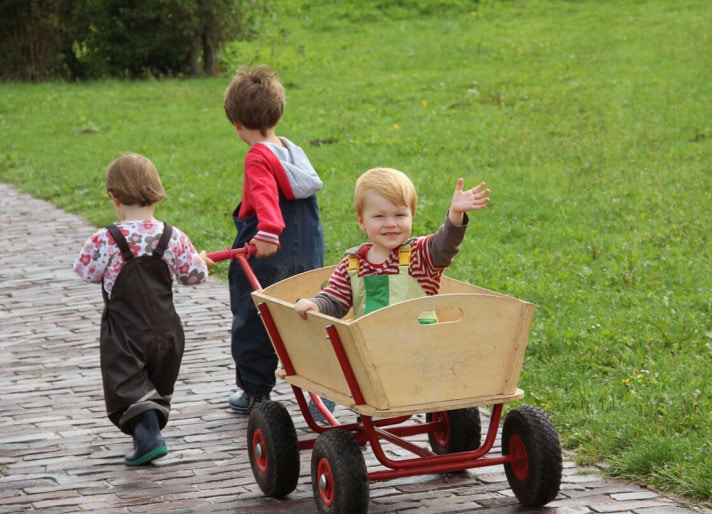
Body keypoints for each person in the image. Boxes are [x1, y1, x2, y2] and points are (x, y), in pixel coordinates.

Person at [294, 167, 490, 415]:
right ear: (361, 221)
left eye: (399, 215)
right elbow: (335, 299)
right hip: (371, 354)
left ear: (412, 216)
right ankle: (329, 395)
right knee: (333, 346)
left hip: (420, 350)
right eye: (379, 217)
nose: (390, 224)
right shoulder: (353, 264)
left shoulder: (420, 255)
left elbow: (445, 245)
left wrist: (455, 215)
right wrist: (316, 305)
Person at [199, 65, 325, 414]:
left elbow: (266, 198)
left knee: (254, 321)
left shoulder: (258, 156)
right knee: (307, 316)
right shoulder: (293, 151)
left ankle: (255, 392)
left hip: (268, 255)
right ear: (277, 115)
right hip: (309, 252)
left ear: (236, 123)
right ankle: (322, 391)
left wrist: (267, 232)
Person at [73, 152, 209, 466]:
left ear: (114, 197)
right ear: (156, 193)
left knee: (126, 386)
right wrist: (200, 260)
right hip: (166, 330)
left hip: (125, 331)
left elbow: (86, 272)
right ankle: (147, 434)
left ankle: (148, 437)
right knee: (156, 385)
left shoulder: (106, 239)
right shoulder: (172, 236)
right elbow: (194, 276)